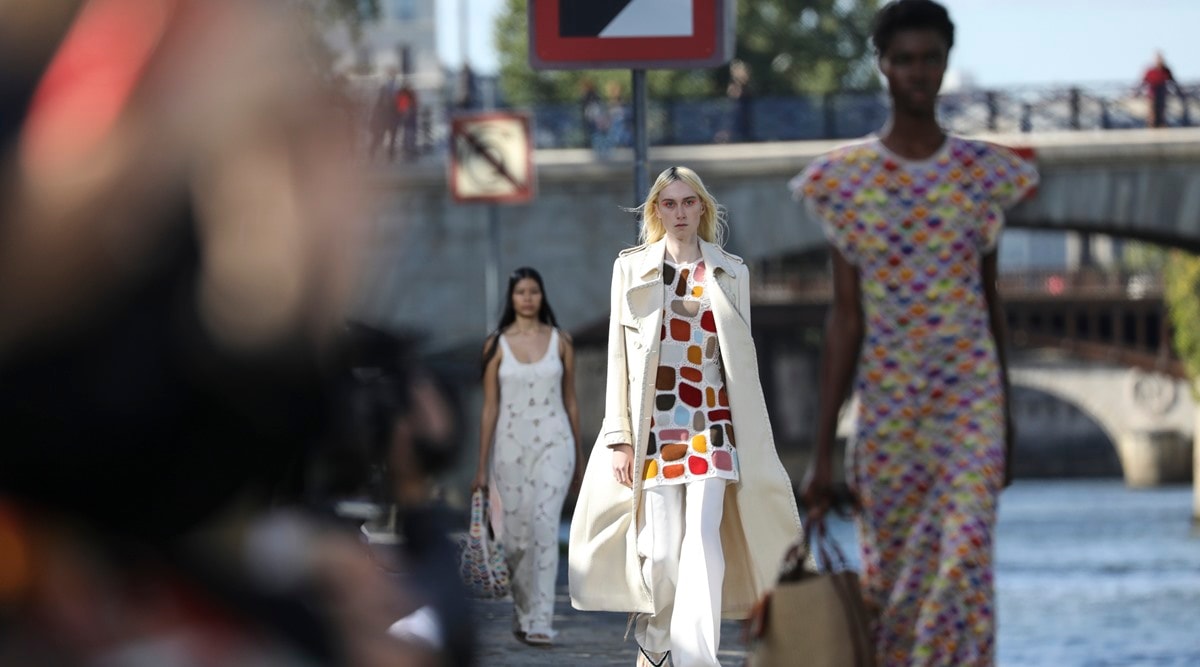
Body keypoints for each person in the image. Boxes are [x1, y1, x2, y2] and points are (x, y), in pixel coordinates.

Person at [791, 1, 1038, 665]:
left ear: (945, 63)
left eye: (930, 58)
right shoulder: (846, 182)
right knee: (894, 587)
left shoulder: (983, 177)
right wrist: (820, 454)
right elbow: (846, 317)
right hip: (891, 410)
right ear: (884, 67)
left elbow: (989, 300)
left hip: (971, 403)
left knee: (963, 564)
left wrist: (1006, 416)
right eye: (905, 59)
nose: (918, 72)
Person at [570, 166, 802, 667]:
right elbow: (617, 357)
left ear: (702, 207)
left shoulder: (732, 270)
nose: (679, 213)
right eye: (669, 204)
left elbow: (741, 357)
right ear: (656, 211)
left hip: (713, 421)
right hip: (653, 424)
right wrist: (619, 437)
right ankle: (657, 643)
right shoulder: (630, 268)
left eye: (688, 202)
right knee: (661, 550)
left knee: (701, 540)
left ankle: (698, 658)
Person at [473, 267, 583, 647]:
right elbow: (489, 408)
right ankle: (522, 611)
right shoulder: (496, 345)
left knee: (543, 527)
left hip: (556, 442)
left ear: (542, 296)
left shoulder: (561, 342)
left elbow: (571, 399)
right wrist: (480, 470)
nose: (527, 298)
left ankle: (541, 620)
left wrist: (579, 456)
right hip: (509, 445)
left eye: (534, 291)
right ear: (512, 297)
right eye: (521, 291)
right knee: (517, 538)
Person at [1141, 51, 1179, 128]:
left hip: (1162, 93)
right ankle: (1151, 127)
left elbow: (1172, 81)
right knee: (1152, 112)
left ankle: (1162, 127)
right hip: (1152, 93)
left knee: (1161, 111)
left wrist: (1179, 91)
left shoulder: (1166, 70)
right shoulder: (1150, 71)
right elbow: (1143, 81)